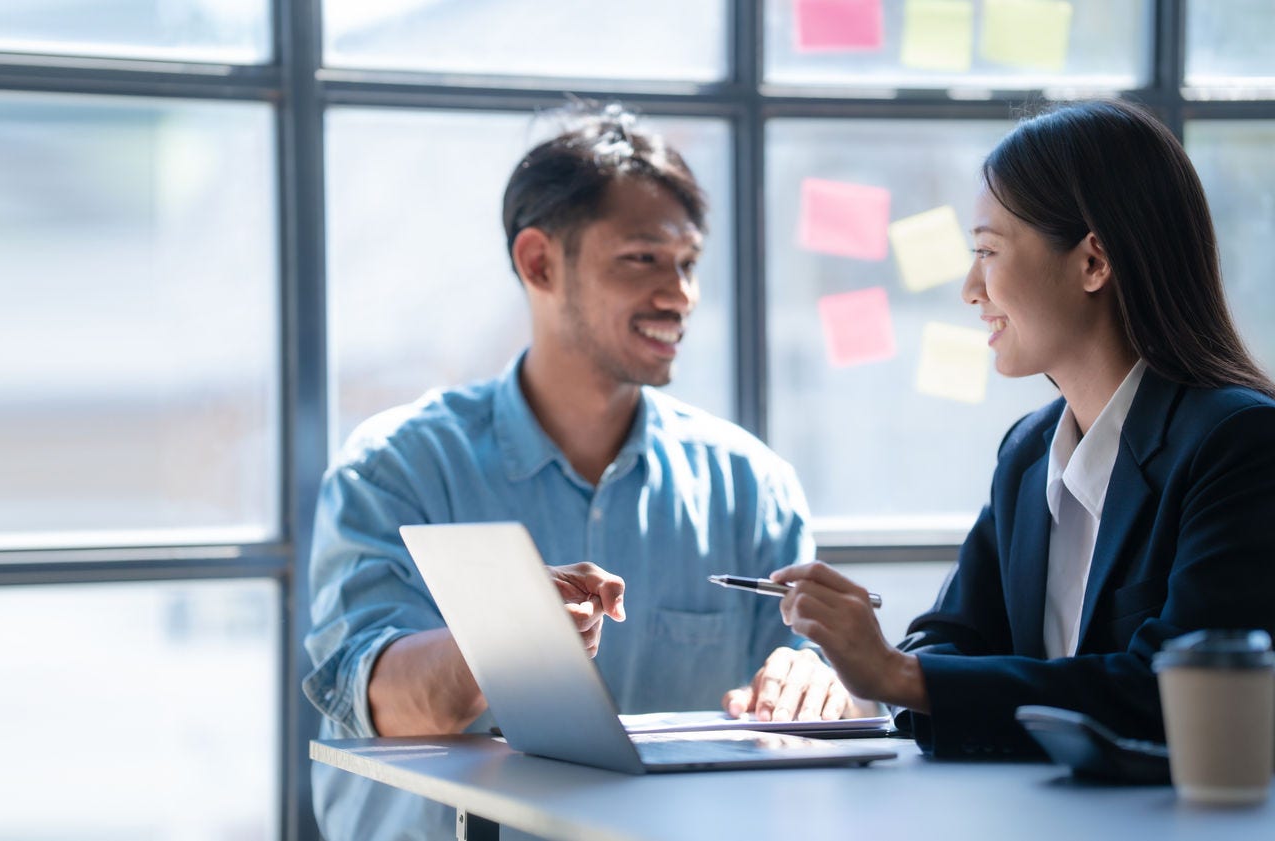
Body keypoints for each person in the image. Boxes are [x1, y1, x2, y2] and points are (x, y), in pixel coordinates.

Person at [301, 102, 861, 841]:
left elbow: (810, 686)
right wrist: (508, 631)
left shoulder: (749, 487)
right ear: (538, 262)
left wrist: (825, 687)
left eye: (688, 262)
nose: (680, 294)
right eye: (642, 258)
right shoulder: (393, 468)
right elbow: (377, 698)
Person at [761, 99, 1275, 757]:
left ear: (1092, 262)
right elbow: (949, 640)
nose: (970, 287)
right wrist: (872, 661)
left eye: (987, 250)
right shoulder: (1029, 453)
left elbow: (1177, 695)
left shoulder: (1238, 445)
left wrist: (897, 673)